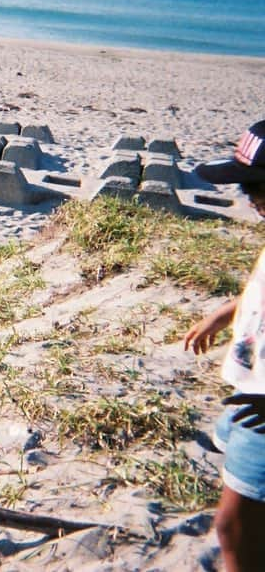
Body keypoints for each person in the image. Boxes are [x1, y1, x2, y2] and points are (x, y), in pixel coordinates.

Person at [184, 119, 265, 572]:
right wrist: (226, 312)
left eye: (258, 187)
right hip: (248, 395)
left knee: (233, 528)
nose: (249, 199)